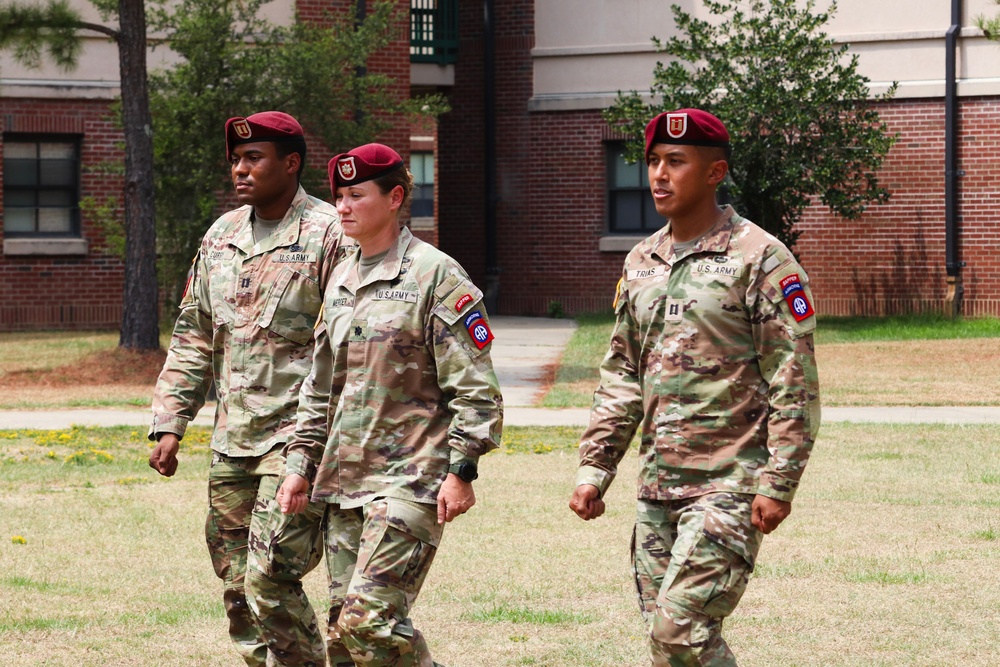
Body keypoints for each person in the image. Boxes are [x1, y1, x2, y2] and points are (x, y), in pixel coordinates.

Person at [569, 109, 820, 666]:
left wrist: (779, 481)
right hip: (658, 488)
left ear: (714, 172)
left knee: (678, 632)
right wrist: (595, 468)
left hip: (730, 484)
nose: (658, 174)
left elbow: (793, 377)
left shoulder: (760, 258)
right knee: (677, 646)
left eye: (675, 162)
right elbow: (622, 374)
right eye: (653, 161)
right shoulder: (641, 262)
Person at [277, 143, 503, 667]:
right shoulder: (340, 280)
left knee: (369, 622)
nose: (343, 207)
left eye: (357, 194)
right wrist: (298, 466)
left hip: (412, 481)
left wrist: (463, 470)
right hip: (343, 481)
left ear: (395, 197)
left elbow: (474, 387)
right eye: (338, 196)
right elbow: (319, 387)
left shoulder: (435, 275)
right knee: (344, 640)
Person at [148, 111, 349, 667]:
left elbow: (350, 346)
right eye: (236, 159)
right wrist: (170, 422)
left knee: (269, 575)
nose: (240, 169)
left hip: (297, 442)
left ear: (291, 163)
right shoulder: (221, 235)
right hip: (231, 440)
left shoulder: (330, 233)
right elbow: (193, 335)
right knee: (237, 587)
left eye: (253, 158)